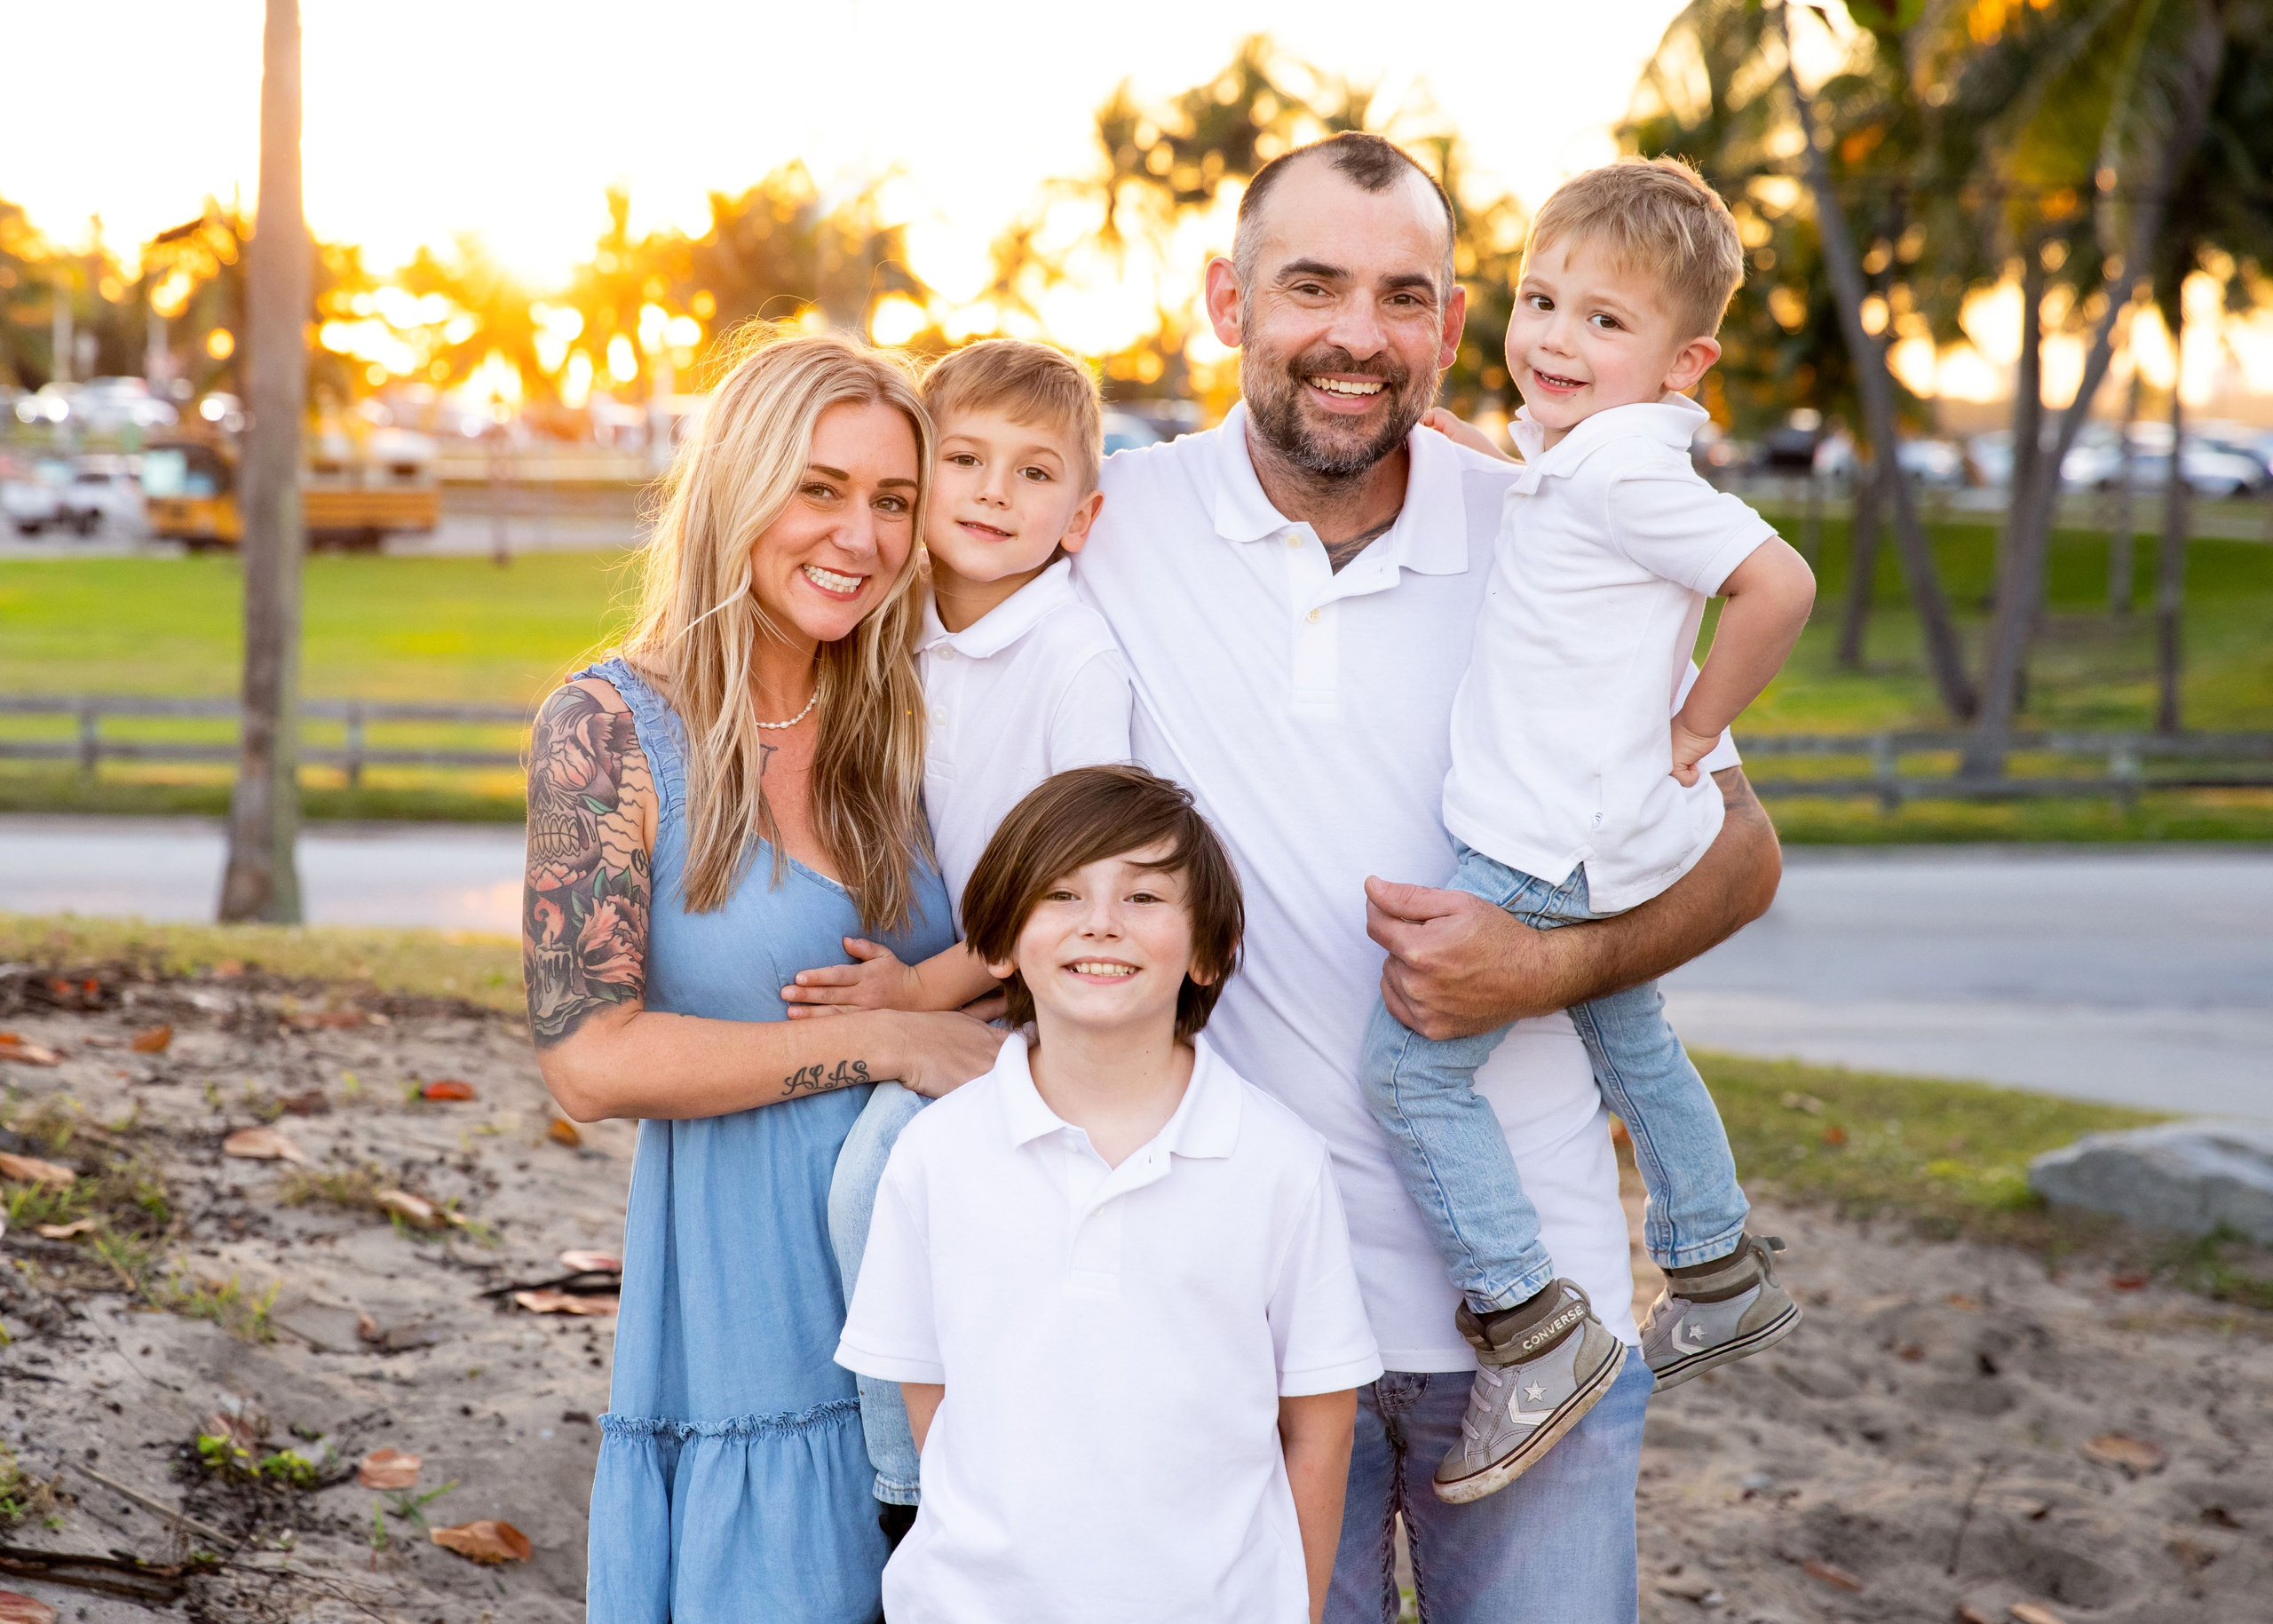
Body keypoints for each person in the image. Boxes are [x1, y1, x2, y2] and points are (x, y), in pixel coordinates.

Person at [1072, 132, 1784, 1622]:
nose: (1356, 333)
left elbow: (1741, 851)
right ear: (1228, 300)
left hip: (1542, 1307)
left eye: (1406, 296)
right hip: (1245, 1309)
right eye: (1312, 285)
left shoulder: (1548, 522)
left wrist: (1551, 968)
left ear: (1455, 331)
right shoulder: (1111, 524)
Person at [523, 329, 1002, 1624]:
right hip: (748, 1333)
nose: (862, 535)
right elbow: (589, 1060)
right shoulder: (609, 729)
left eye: (894, 500)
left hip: (962, 1326)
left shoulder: (911, 712)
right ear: (737, 487)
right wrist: (889, 1043)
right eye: (820, 487)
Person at [1358, 156, 1818, 1505]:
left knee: (1407, 1074)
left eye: (1604, 321)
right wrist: (1467, 451)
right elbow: (1559, 516)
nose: (1556, 336)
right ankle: (1718, 1265)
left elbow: (1776, 582)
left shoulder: (1626, 476)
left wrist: (1698, 725)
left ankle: (1526, 1319)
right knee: (1632, 1036)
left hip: (1542, 839)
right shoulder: (1586, 456)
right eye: (1541, 298)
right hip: (1600, 826)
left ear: (1685, 362)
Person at [836, 765, 1382, 1624]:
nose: (1100, 922)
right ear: (1004, 942)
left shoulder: (1279, 1163)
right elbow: (927, 1392)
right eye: (1061, 893)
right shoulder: (936, 1154)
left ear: (1209, 951)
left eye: (1145, 897)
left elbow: (1320, 1426)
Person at [778, 338, 1135, 1529]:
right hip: (964, 975)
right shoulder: (901, 634)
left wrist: (921, 995)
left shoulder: (1074, 658)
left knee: (881, 1181)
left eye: (1034, 475)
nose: (992, 492)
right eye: (966, 460)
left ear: (1080, 517)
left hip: (1050, 993)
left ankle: (913, 1493)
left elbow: (1073, 885)